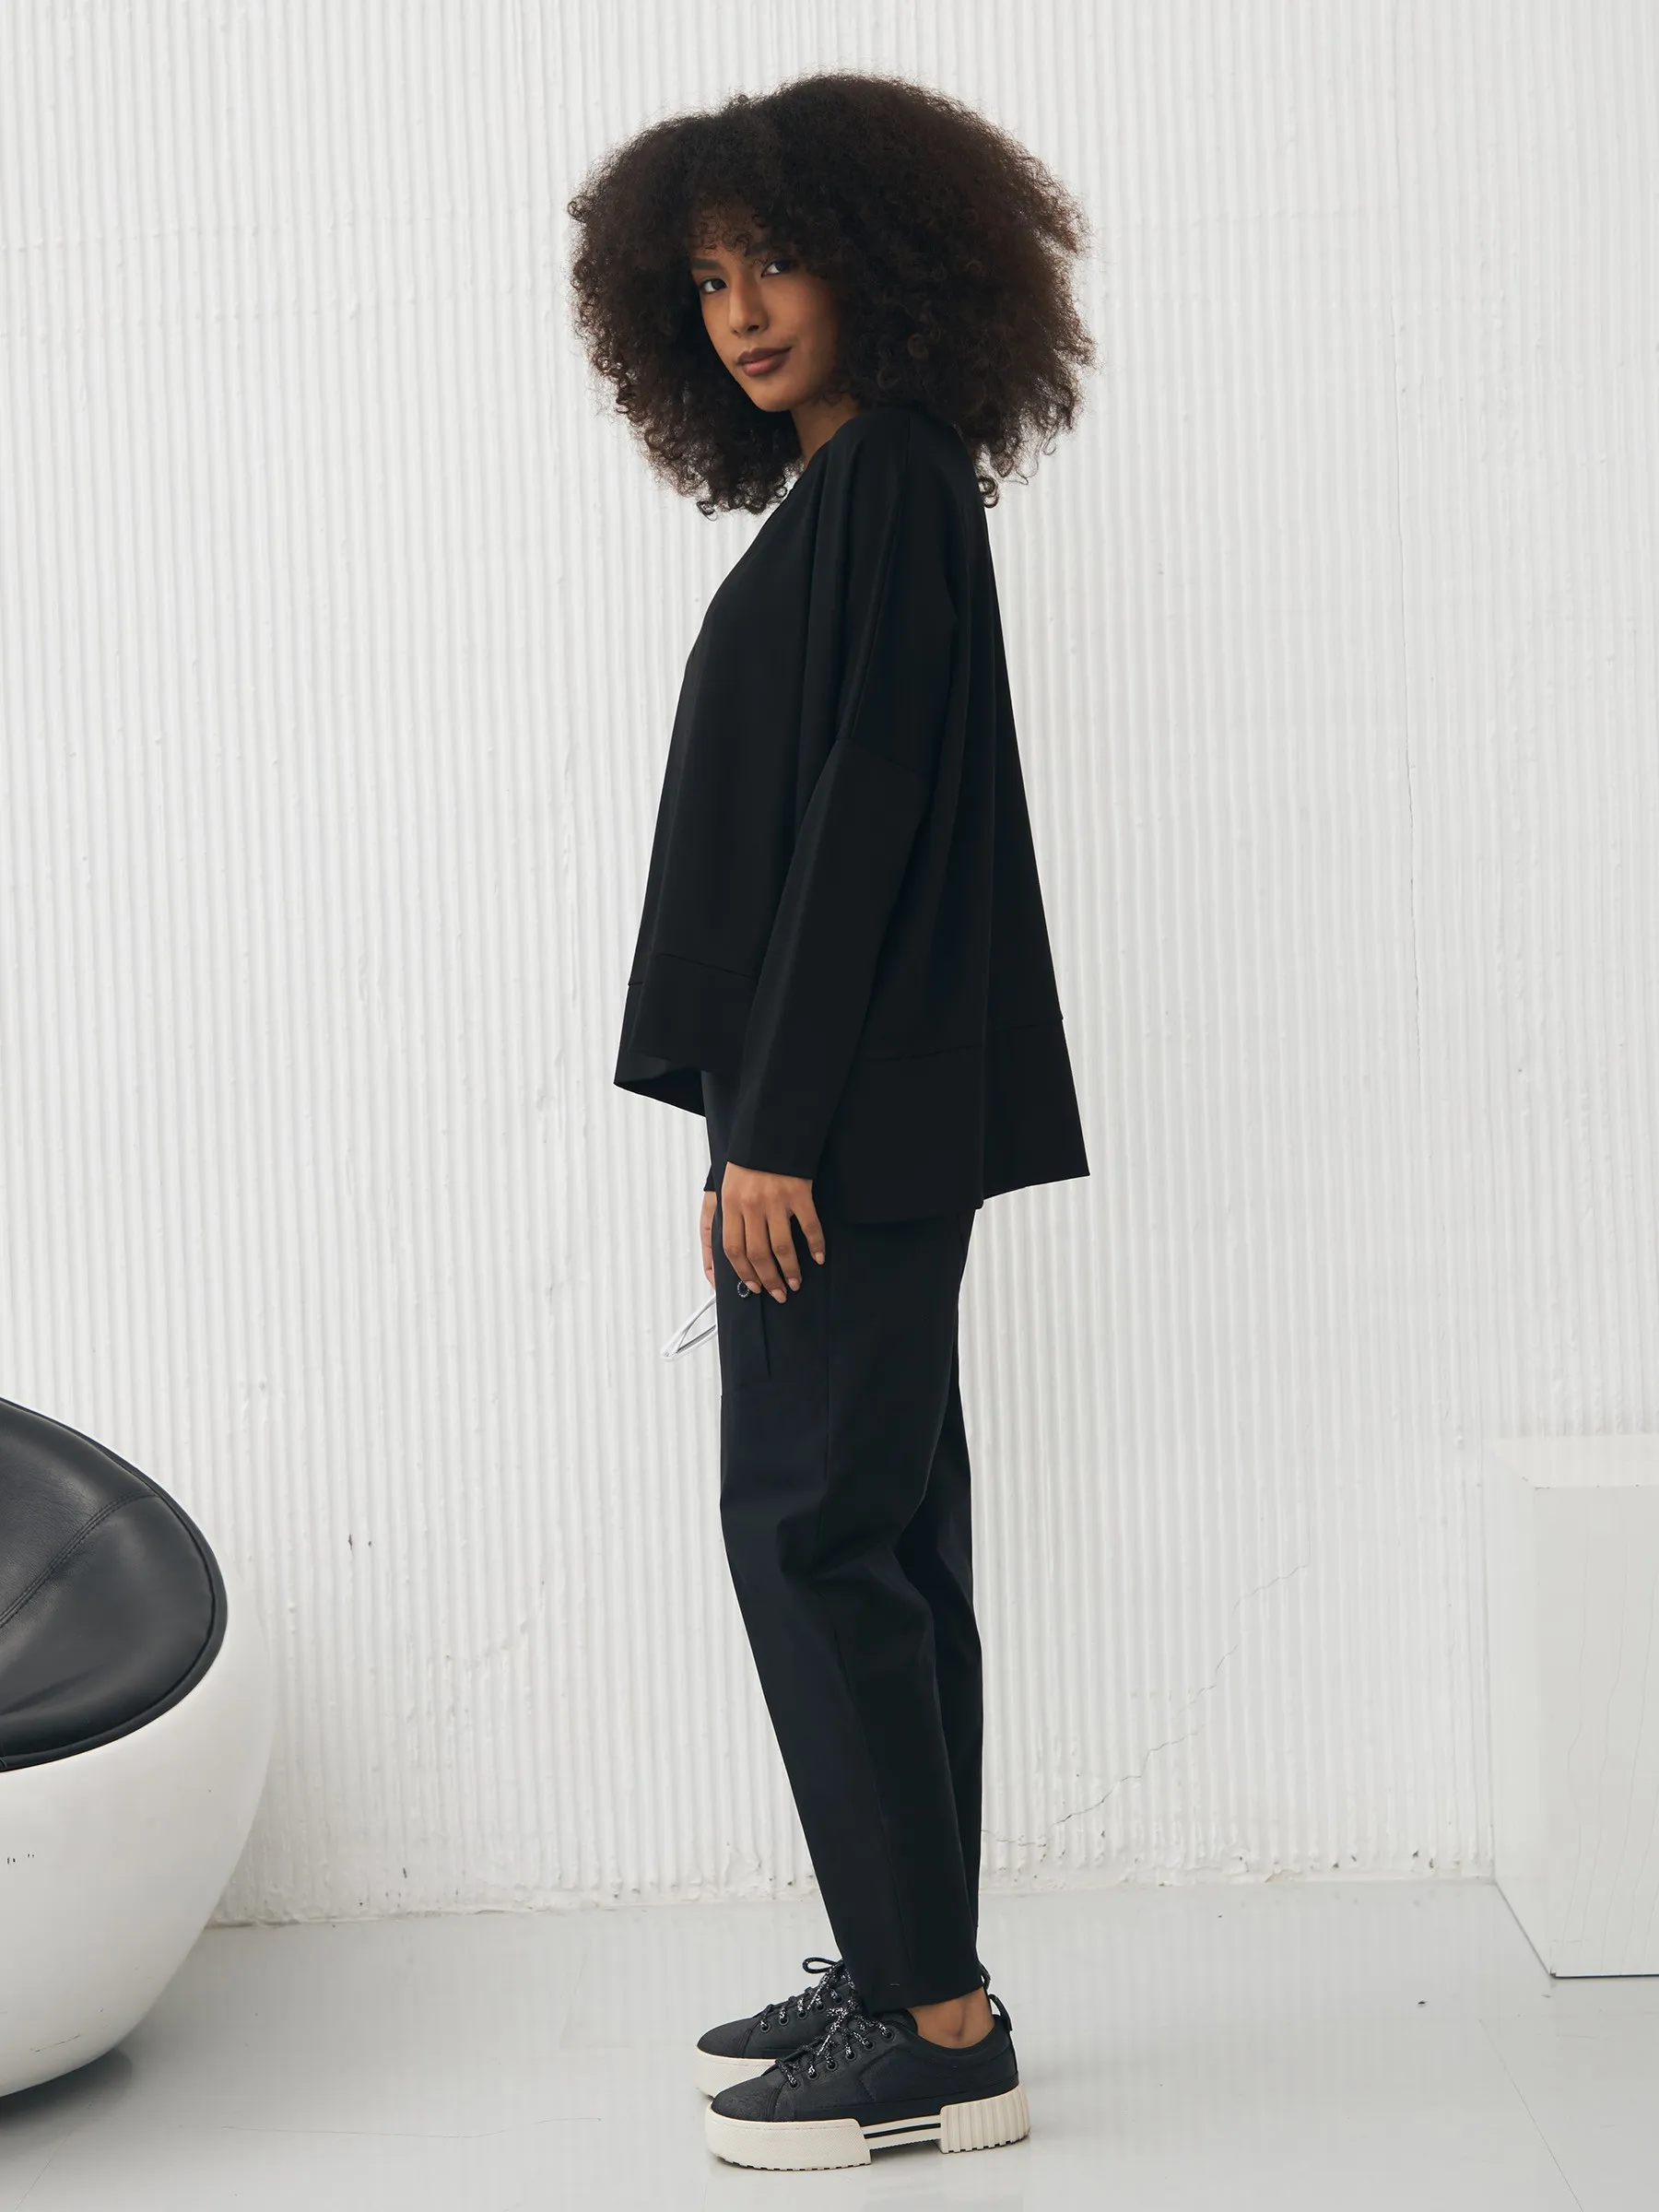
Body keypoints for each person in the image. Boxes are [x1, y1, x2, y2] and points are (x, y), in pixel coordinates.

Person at [567, 68, 1094, 2173]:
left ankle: (933, 2030)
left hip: (832, 1127)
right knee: (881, 1536)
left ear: (884, 259)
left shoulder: (883, 482)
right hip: (844, 1112)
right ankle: (912, 1967)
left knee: (809, 1535)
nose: (743, 313)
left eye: (777, 261)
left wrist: (766, 1129)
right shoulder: (872, 488)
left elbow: (861, 814)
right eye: (706, 281)